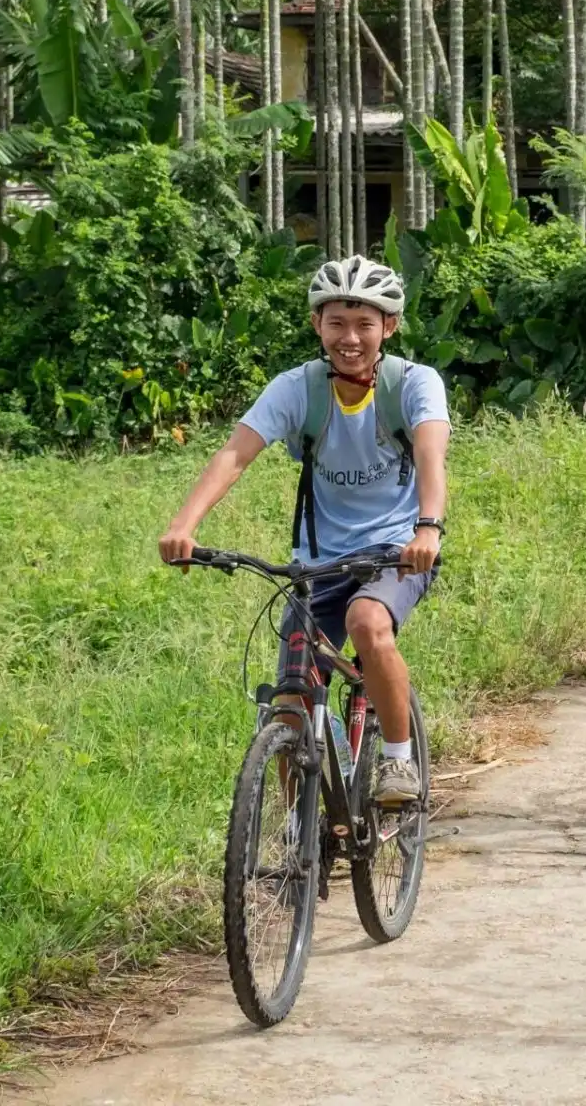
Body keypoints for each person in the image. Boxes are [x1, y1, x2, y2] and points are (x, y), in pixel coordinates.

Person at [158, 255, 450, 806]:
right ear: (317, 324)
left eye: (365, 324)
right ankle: (301, 841)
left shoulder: (413, 384)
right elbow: (234, 455)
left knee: (368, 622)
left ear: (389, 326)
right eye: (336, 322)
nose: (350, 338)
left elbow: (432, 454)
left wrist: (428, 528)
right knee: (290, 701)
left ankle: (396, 763)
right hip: (316, 561)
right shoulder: (298, 388)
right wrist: (183, 526)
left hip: (395, 550)